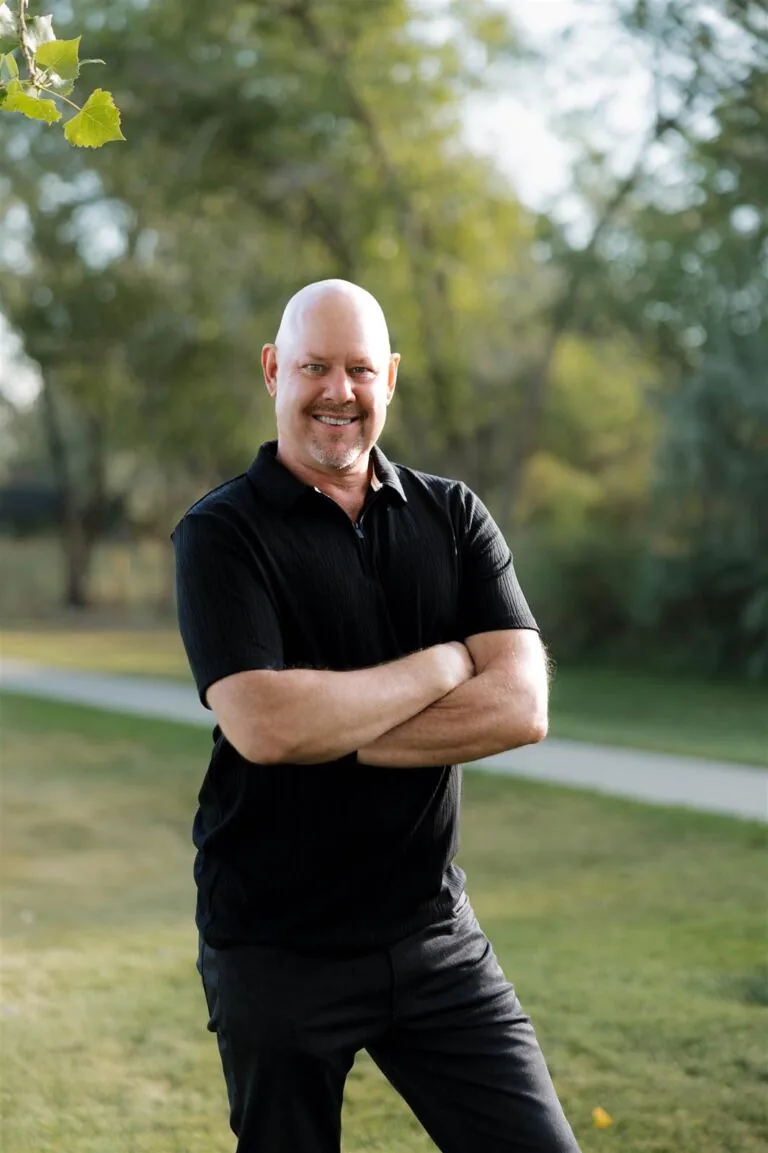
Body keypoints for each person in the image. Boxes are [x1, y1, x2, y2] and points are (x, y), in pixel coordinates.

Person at [171, 279, 581, 1153]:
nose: (338, 391)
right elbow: (266, 727)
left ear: (390, 376)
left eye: (360, 368)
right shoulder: (220, 533)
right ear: (274, 370)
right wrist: (442, 662)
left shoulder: (454, 515)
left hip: (433, 936)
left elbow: (521, 703)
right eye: (315, 366)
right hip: (274, 946)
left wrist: (337, 726)